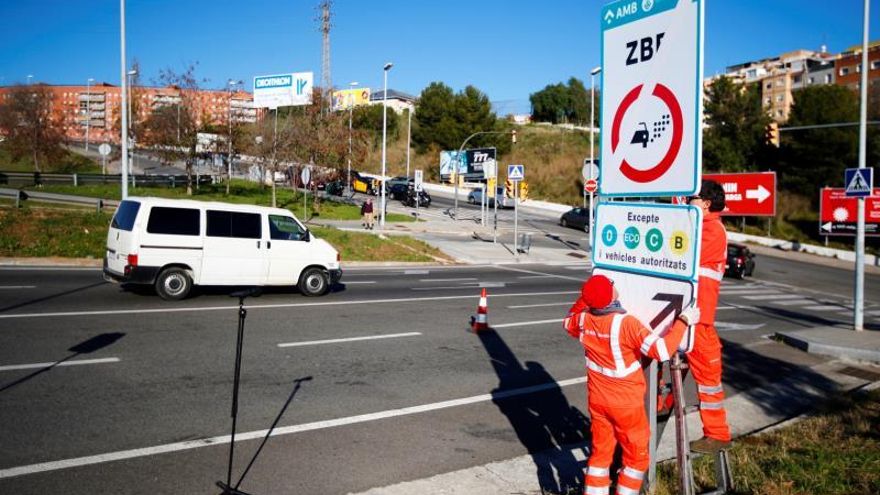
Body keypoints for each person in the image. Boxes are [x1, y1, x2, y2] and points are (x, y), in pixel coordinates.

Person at [564, 274, 699, 495]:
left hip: (598, 402)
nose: (615, 285)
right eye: (611, 285)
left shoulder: (583, 321)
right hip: (626, 405)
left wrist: (585, 298)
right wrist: (684, 321)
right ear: (609, 296)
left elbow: (568, 320)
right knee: (636, 459)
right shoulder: (626, 324)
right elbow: (662, 350)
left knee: (600, 455)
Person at [686, 179, 732, 453]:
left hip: (699, 319)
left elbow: (684, 255)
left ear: (705, 203)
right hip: (687, 314)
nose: (687, 202)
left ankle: (717, 434)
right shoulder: (701, 226)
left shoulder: (712, 230)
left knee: (708, 379)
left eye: (692, 199)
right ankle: (658, 407)